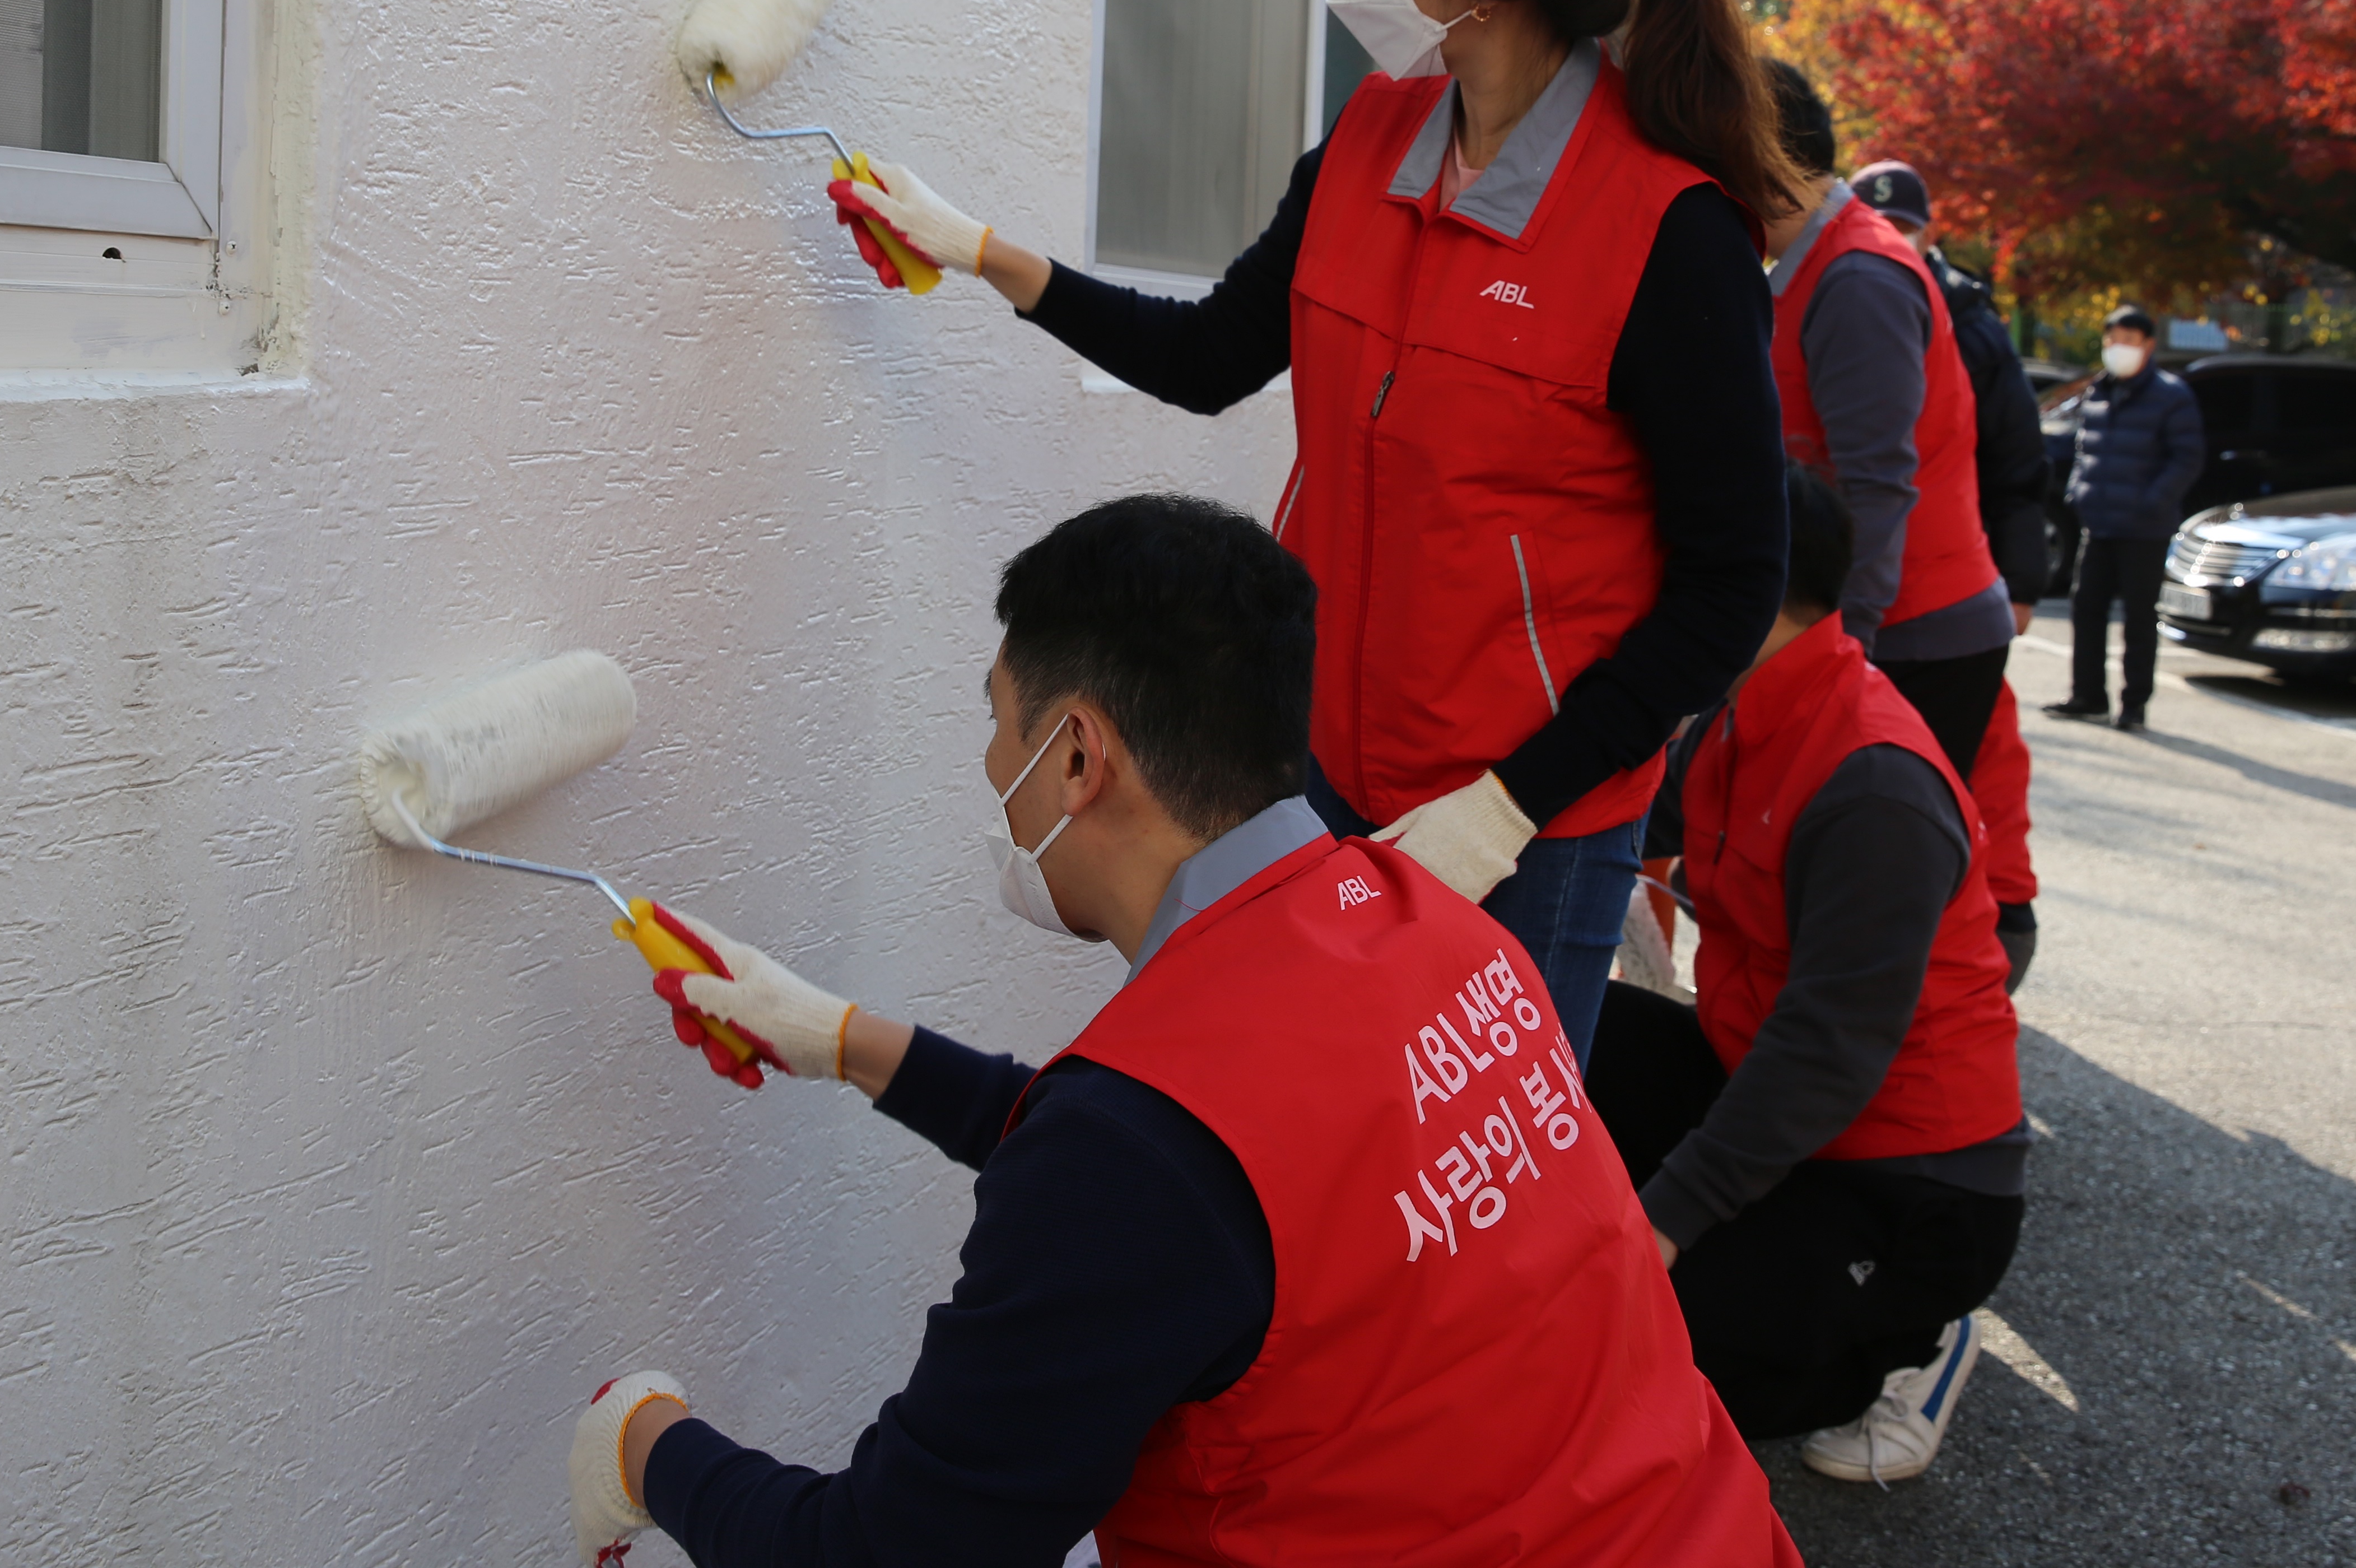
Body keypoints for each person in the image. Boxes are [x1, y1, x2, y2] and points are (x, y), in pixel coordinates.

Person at [567, 495, 1798, 1568]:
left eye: (999, 719)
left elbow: (885, 1551)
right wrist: (839, 1036)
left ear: (1078, 754)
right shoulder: (1437, 928)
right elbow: (1207, 1208)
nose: (989, 760)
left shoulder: (1138, 1153)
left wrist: (642, 1438)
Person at [826, 0, 1792, 1063]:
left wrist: (1507, 807)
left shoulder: (1664, 230)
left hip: (1524, 831)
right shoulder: (1369, 141)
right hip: (1317, 774)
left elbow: (1732, 585)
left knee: (1461, 1212)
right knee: (1314, 1143)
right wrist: (984, 251)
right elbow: (1215, 350)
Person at [1590, 468, 2025, 1487]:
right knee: (1566, 1038)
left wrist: (1663, 1222)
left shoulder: (1874, 782)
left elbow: (1826, 1052)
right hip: (1767, 1082)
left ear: (1744, 581)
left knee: (1637, 1358)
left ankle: (1905, 1344)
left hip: (1909, 1182)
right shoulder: (1741, 706)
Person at [1757, 67, 2013, 779]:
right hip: (1885, 623)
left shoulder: (1856, 280)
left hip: (1911, 633)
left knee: (1886, 871)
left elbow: (1876, 486)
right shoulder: (1822, 264)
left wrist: (1843, 653)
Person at [1855, 159, 2045, 988]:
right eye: (1879, 221)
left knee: (1963, 783)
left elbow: (2015, 457)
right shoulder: (1852, 288)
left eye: (1906, 226)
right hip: (1898, 579)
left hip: (1945, 584)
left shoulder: (1968, 318)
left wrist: (2024, 578)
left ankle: (1992, 936)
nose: (1892, 237)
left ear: (1929, 232)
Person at [2047, 305, 2204, 732]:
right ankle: (2088, 694)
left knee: (2137, 619)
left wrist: (2154, 500)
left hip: (2145, 528)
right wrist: (2079, 492)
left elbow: (2186, 457)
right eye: (2113, 339)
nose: (2119, 349)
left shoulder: (2171, 396)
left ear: (2148, 345)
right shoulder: (2100, 391)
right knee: (2087, 610)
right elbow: (2086, 449)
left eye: (2129, 340)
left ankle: (2134, 703)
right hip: (2099, 523)